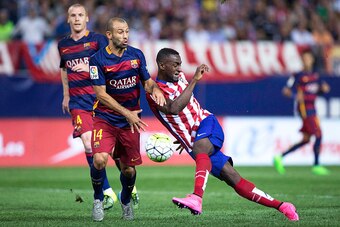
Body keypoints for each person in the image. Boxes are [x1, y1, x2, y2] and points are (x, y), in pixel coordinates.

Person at [146, 48, 299, 221]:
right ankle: (283, 206)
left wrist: (193, 81)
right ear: (162, 65)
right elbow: (173, 108)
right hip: (194, 141)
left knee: (200, 148)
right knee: (233, 179)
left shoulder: (180, 78)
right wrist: (186, 136)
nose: (180, 69)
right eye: (175, 65)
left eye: (180, 64)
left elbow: (187, 107)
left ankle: (196, 198)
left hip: (207, 123)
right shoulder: (155, 93)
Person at [58, 4, 140, 212]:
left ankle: (128, 185)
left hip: (100, 101)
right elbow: (64, 70)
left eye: (80, 15)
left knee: (110, 151)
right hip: (78, 102)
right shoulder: (63, 45)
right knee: (88, 145)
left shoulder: (97, 40)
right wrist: (66, 94)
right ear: (68, 20)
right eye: (73, 16)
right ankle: (106, 192)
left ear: (87, 18)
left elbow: (106, 59)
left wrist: (89, 67)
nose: (76, 19)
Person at [89, 17, 165, 221]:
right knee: (99, 160)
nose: (125, 36)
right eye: (120, 32)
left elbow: (147, 83)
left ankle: (125, 201)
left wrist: (156, 90)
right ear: (109, 35)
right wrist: (127, 113)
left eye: (127, 31)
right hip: (105, 118)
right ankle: (98, 199)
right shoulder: (97, 60)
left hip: (130, 122)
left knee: (129, 171)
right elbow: (101, 95)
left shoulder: (136, 55)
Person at [274, 49, 330, 175]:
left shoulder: (316, 76)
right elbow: (286, 91)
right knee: (319, 134)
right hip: (304, 109)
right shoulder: (298, 75)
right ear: (302, 60)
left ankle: (279, 157)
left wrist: (324, 90)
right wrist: (295, 96)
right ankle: (316, 165)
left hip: (313, 108)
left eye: (309, 58)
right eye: (304, 58)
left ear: (312, 60)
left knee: (306, 139)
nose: (307, 61)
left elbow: (320, 89)